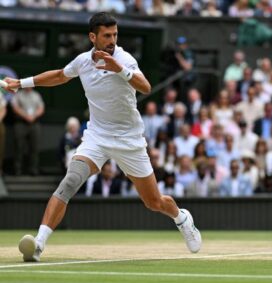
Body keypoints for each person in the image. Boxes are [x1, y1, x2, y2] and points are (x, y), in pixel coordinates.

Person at [6, 12, 201, 262]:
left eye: (115, 35)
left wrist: (119, 69)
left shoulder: (125, 58)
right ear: (92, 37)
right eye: (107, 35)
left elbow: (146, 87)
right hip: (97, 136)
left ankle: (181, 218)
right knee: (69, 182)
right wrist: (20, 83)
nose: (112, 40)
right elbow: (58, 76)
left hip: (129, 139)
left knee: (153, 202)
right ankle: (38, 245)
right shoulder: (82, 61)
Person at [11, 87, 45, 176]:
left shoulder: (36, 95)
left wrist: (34, 116)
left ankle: (33, 169)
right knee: (19, 146)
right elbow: (15, 107)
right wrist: (26, 116)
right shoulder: (18, 94)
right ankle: (17, 170)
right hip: (21, 123)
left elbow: (41, 108)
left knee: (34, 147)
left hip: (34, 123)